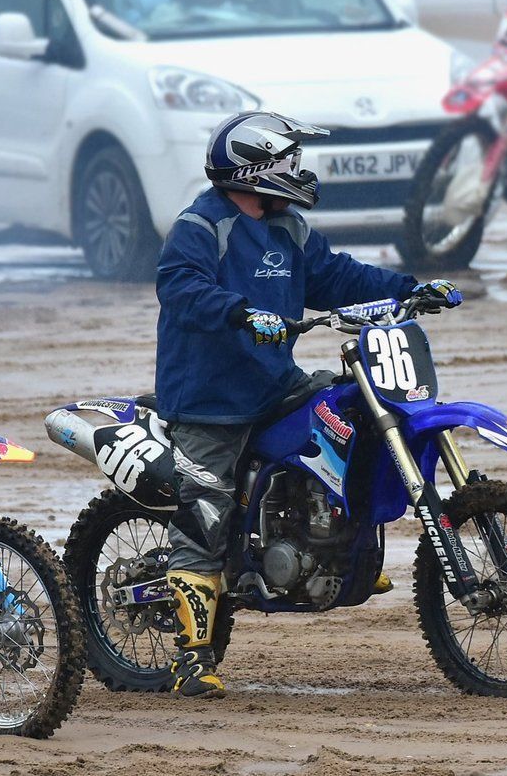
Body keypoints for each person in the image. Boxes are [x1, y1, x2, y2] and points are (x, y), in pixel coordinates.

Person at [153, 111, 458, 698]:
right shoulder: (200, 225)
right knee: (205, 521)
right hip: (211, 404)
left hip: (275, 384)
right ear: (257, 167)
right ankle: (191, 657)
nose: (299, 170)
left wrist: (408, 288)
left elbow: (336, 276)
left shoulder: (287, 227)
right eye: (289, 160)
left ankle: (343, 546)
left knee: (355, 409)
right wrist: (240, 312)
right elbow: (180, 287)